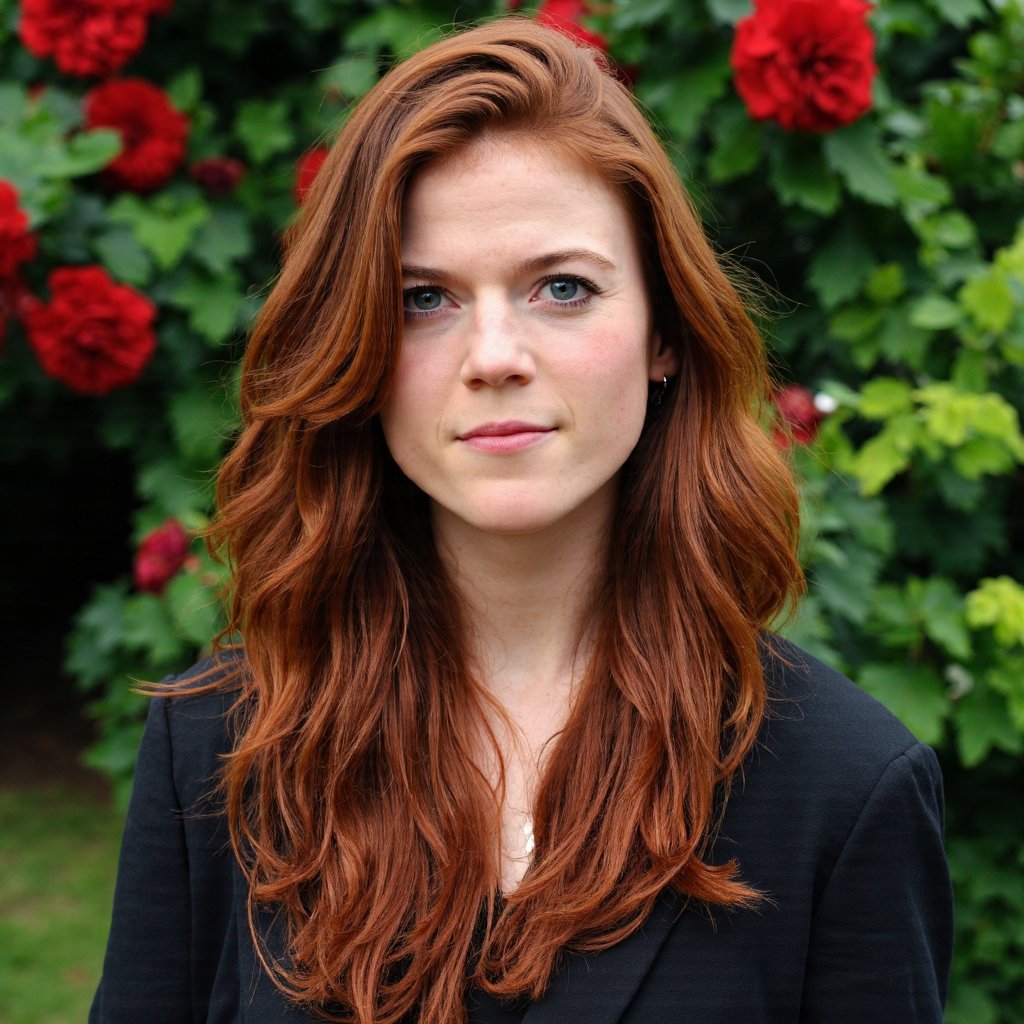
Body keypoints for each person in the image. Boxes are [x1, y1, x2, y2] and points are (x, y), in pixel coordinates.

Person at [90, 17, 953, 1024]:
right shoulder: (214, 748)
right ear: (356, 348)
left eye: (561, 288)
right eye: (424, 299)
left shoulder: (845, 787)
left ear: (663, 332)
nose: (494, 352)